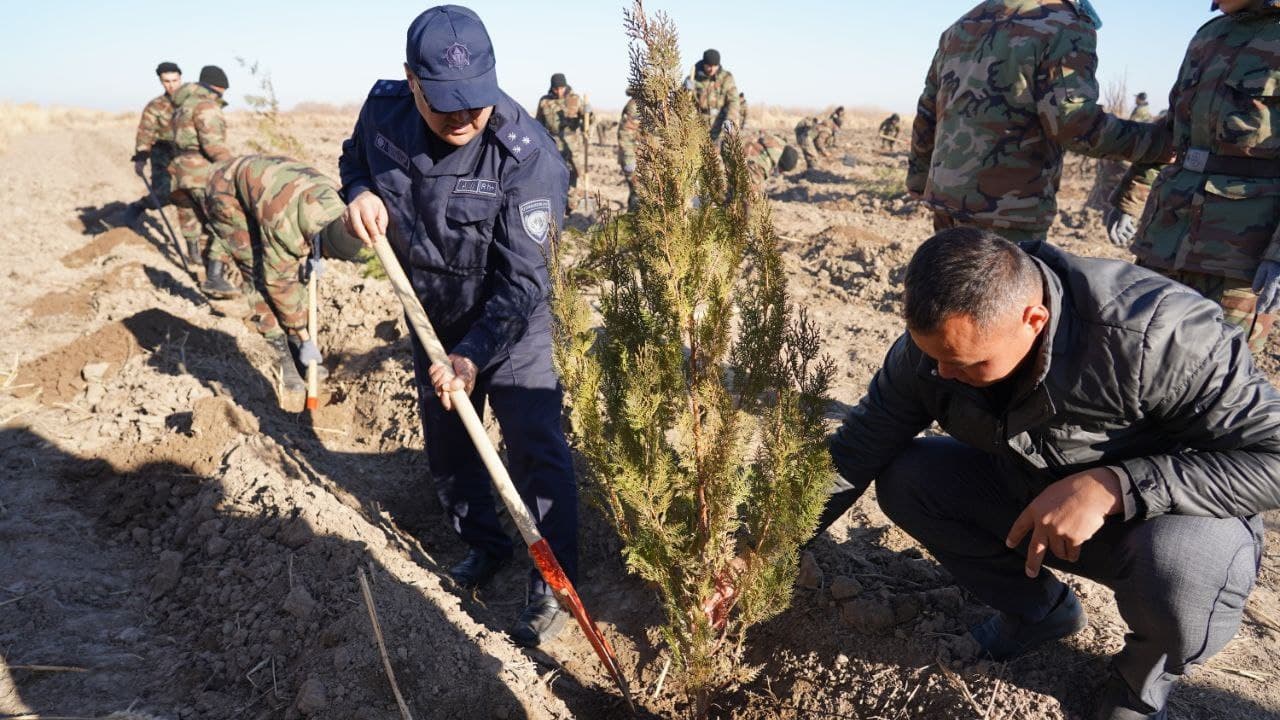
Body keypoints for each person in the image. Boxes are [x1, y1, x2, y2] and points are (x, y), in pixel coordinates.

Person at [816, 228, 1279, 719]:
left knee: (1185, 561)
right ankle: (1039, 612)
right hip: (1030, 494)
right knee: (909, 477)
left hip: (1159, 524)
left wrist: (1114, 487)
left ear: (1033, 320)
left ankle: (1140, 682)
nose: (941, 373)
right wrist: (759, 546)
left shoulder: (1160, 337)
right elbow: (857, 448)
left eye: (965, 363)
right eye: (933, 357)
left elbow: (1272, 457)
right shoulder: (936, 354)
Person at [338, 4, 578, 647]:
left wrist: (471, 357)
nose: (464, 117)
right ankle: (483, 543)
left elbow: (527, 281)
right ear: (411, 81)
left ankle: (554, 586)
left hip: (510, 320)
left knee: (533, 442)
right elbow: (352, 158)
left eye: (476, 101)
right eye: (445, 103)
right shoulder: (383, 110)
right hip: (432, 311)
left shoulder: (526, 158)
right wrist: (359, 190)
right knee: (447, 440)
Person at [907, 0, 1170, 243]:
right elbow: (1074, 125)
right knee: (1002, 293)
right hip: (1009, 209)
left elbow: (928, 112)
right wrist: (1159, 141)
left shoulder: (962, 25)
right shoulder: (1066, 25)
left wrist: (919, 179)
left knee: (948, 289)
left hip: (946, 198)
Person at [1107, 0, 1280, 354]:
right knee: (1135, 357)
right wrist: (1131, 195)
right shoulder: (1209, 35)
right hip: (1166, 236)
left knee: (1214, 375)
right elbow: (1174, 132)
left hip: (1238, 256)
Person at [203, 155, 362, 393]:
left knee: (290, 277)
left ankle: (296, 342)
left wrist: (313, 258)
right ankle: (280, 351)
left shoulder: (336, 206)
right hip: (226, 193)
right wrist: (304, 336)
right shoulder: (285, 228)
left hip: (266, 188)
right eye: (328, 255)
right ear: (322, 240)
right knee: (255, 270)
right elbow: (278, 282)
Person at [169, 64, 238, 297]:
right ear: (218, 88)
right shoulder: (206, 106)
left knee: (190, 218)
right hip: (200, 173)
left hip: (179, 173)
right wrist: (234, 168)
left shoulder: (181, 107)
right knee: (226, 221)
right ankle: (214, 277)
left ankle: (195, 260)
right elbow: (213, 145)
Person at [129, 61, 182, 215]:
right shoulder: (155, 106)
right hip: (163, 154)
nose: (171, 85)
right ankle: (139, 206)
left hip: (187, 154)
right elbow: (145, 132)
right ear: (161, 81)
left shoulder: (192, 102)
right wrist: (141, 158)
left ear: (180, 78)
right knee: (163, 195)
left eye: (175, 80)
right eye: (167, 81)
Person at [534, 73, 589, 191]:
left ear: (566, 86)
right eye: (556, 89)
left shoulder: (575, 99)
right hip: (552, 146)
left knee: (573, 177)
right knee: (554, 179)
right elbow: (537, 125)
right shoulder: (545, 101)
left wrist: (589, 113)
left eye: (561, 88)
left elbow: (588, 122)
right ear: (552, 88)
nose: (559, 92)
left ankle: (570, 206)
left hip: (572, 147)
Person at [685, 48, 740, 141]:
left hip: (721, 123)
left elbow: (733, 101)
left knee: (726, 148)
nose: (712, 69)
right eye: (709, 66)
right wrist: (686, 90)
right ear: (704, 64)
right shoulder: (692, 78)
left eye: (715, 66)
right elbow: (684, 102)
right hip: (699, 126)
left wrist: (730, 121)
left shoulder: (726, 78)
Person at [617, 89, 640, 211]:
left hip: (655, 160)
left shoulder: (661, 104)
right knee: (639, 195)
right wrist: (629, 159)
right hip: (637, 158)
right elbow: (625, 135)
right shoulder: (635, 106)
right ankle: (633, 225)